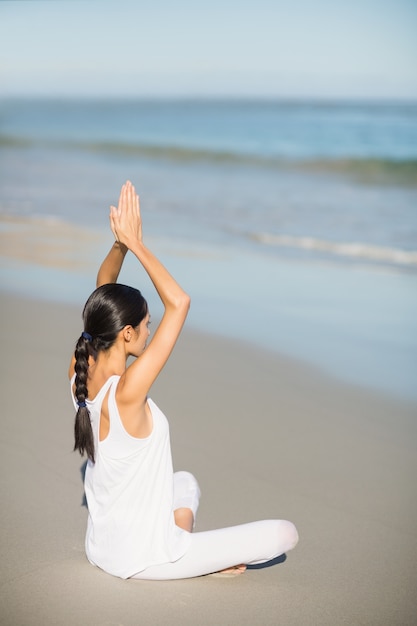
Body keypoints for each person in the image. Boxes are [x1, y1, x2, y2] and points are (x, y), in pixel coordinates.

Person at [69, 180, 298, 580]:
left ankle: (191, 551)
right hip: (146, 559)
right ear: (126, 334)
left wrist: (120, 244)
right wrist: (137, 244)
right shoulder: (128, 391)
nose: (149, 329)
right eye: (145, 325)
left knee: (184, 481)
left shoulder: (79, 370)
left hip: (101, 548)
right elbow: (180, 302)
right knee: (284, 534)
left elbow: (104, 289)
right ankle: (195, 562)